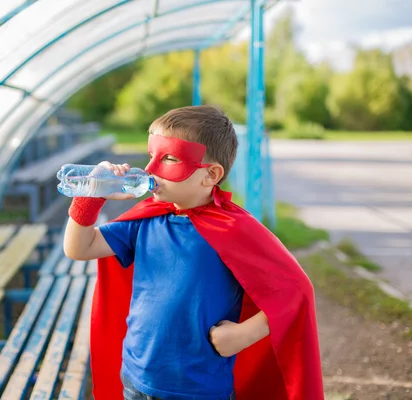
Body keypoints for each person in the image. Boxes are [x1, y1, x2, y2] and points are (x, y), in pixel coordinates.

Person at [63, 105, 323, 400]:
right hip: (136, 378)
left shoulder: (235, 229)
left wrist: (243, 335)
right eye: (151, 156)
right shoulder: (146, 220)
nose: (150, 169)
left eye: (169, 158)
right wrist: (91, 196)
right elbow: (78, 248)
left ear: (210, 174)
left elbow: (296, 291)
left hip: (199, 389)